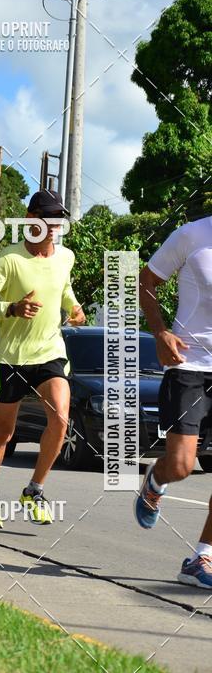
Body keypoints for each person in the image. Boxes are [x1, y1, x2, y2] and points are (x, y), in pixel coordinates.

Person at [0, 189, 86, 528]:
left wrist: (75, 310)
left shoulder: (66, 257)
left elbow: (64, 291)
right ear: (30, 218)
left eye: (58, 220)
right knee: (3, 432)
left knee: (60, 418)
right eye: (46, 218)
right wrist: (12, 308)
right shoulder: (9, 259)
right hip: (9, 358)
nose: (53, 226)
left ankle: (34, 490)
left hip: (50, 353)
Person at [136, 216, 212, 588]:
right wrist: (160, 332)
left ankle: (201, 558)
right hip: (190, 366)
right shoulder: (192, 235)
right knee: (181, 465)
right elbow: (146, 282)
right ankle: (156, 478)